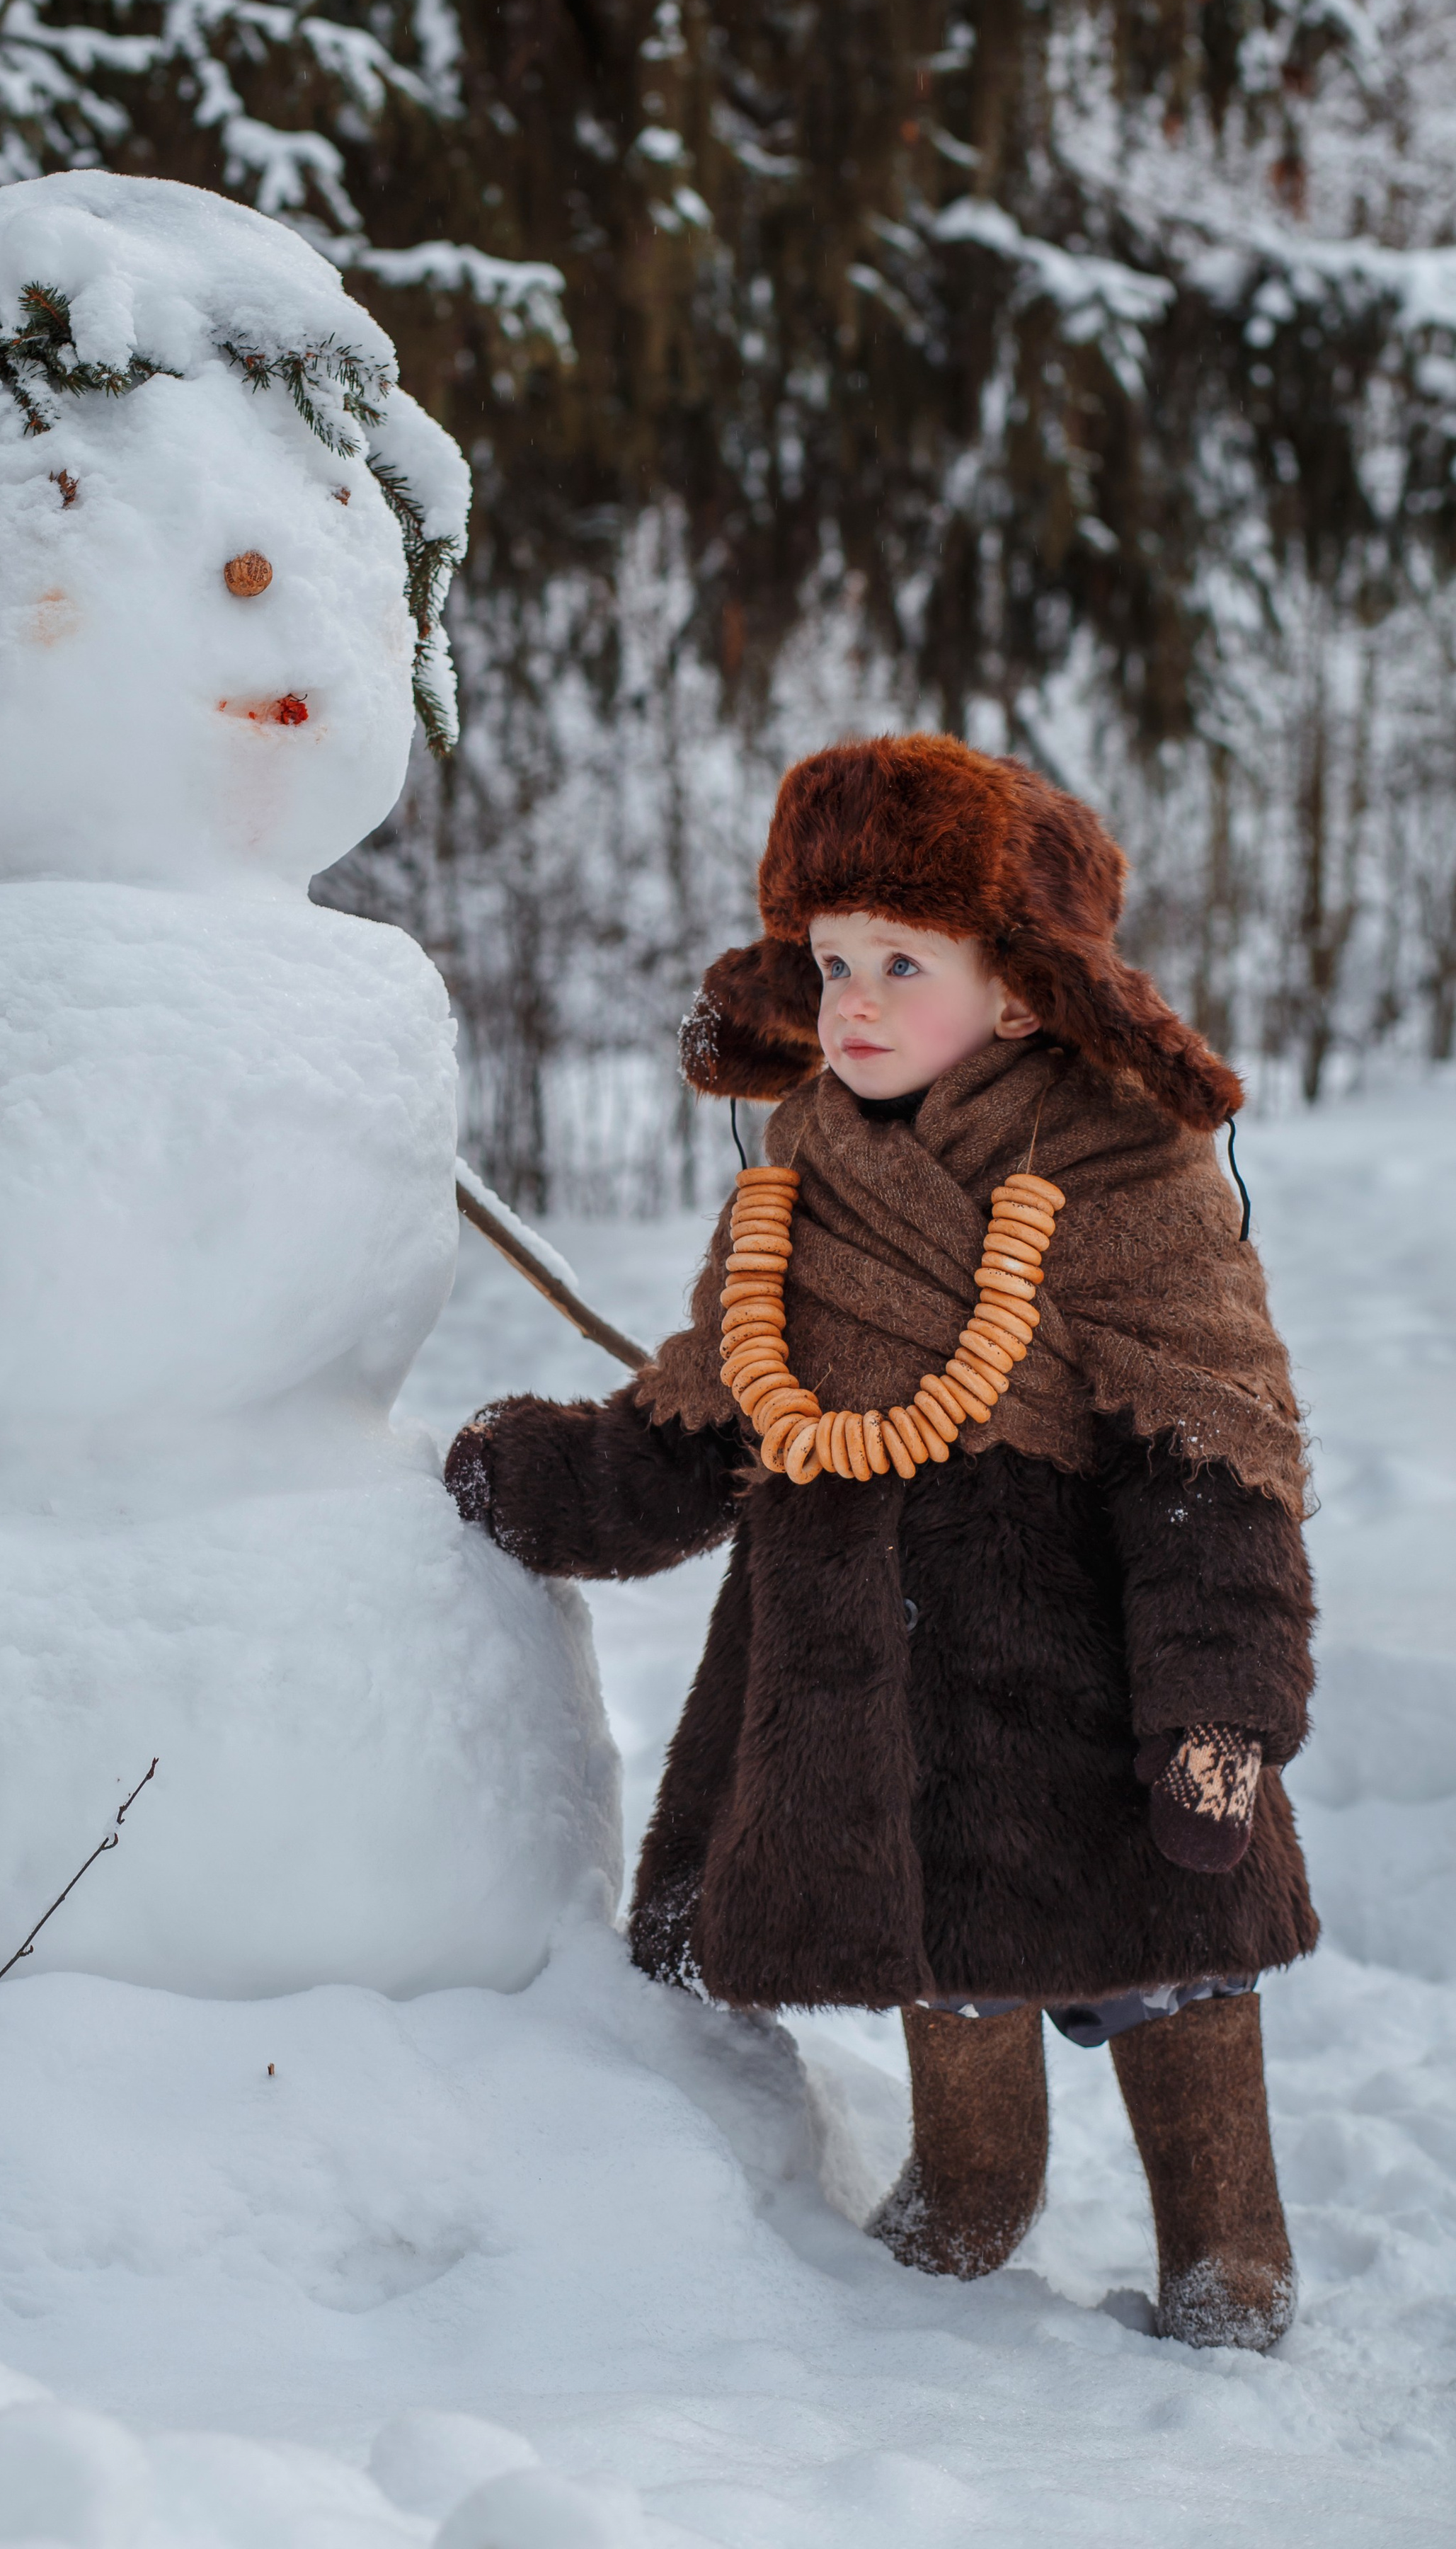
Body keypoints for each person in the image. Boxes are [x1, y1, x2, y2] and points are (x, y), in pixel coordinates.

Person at [445, 733, 1317, 2353]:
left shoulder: (1125, 1171)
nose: (846, 1002)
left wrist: (1217, 1710)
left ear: (1017, 990)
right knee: (942, 1965)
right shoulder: (797, 1175)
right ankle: (952, 2233)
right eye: (828, 960)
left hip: (1080, 1672)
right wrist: (549, 1485)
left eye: (896, 964)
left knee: (1175, 1974)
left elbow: (1213, 1458)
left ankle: (1229, 2261)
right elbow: (706, 1416)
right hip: (863, 1676)